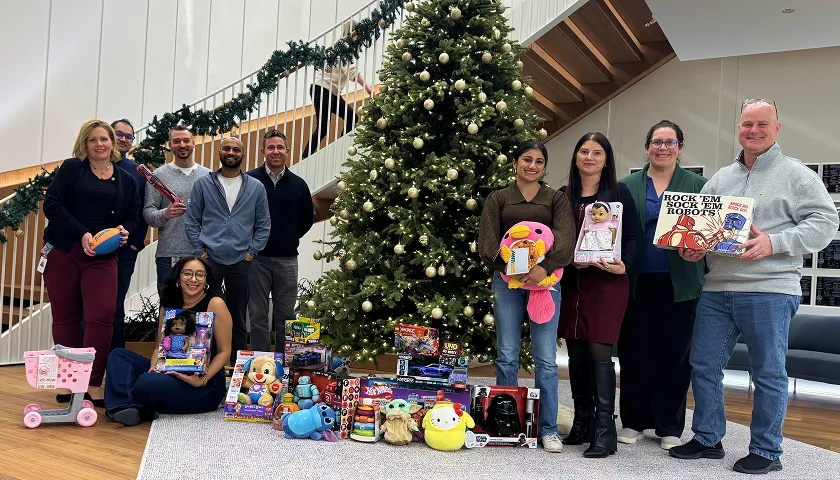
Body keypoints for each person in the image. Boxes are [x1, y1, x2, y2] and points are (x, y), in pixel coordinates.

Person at [670, 99, 839, 474]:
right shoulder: (721, 178)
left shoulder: (797, 174)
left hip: (770, 290)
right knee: (704, 365)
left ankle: (766, 450)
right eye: (747, 124)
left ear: (777, 128)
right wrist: (695, 249)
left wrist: (773, 242)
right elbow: (705, 229)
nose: (754, 130)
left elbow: (826, 223)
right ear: (739, 128)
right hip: (717, 288)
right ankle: (708, 437)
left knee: (767, 373)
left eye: (762, 123)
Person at [477, 139, 576, 453]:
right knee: (506, 354)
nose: (532, 166)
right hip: (508, 282)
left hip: (546, 284)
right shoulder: (500, 198)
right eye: (527, 160)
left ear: (544, 167)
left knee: (546, 359)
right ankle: (507, 422)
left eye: (538, 162)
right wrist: (515, 267)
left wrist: (541, 268)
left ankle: (547, 429)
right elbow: (487, 242)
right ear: (515, 162)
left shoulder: (555, 199)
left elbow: (565, 240)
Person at [616, 120, 707, 450]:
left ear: (680, 148)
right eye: (657, 142)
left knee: (675, 355)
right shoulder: (625, 186)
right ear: (647, 147)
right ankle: (633, 421)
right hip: (636, 285)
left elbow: (711, 234)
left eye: (670, 142)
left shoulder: (699, 186)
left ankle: (669, 424)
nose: (663, 148)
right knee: (635, 353)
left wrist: (702, 249)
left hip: (680, 285)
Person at [42, 119, 141, 406]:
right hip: (64, 251)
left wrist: (124, 231)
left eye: (105, 139)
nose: (100, 144)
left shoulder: (127, 180)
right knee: (66, 317)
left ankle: (94, 381)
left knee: (102, 316)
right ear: (85, 144)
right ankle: (69, 381)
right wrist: (82, 233)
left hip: (103, 257)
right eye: (93, 140)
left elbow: (133, 217)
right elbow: (53, 205)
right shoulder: (72, 168)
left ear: (113, 144)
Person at [558, 132, 639, 458]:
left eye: (597, 152)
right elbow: (555, 238)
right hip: (572, 285)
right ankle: (582, 422)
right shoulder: (564, 196)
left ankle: (605, 430)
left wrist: (625, 266)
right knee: (575, 355)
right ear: (576, 156)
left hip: (606, 284)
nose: (589, 157)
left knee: (598, 353)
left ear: (606, 159)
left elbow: (632, 237)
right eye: (584, 151)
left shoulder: (619, 194)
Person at [104, 256, 232, 426]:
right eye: (187, 273)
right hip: (169, 369)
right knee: (119, 356)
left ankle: (136, 400)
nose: (193, 279)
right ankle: (125, 407)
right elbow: (160, 345)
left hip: (202, 383)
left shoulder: (215, 304)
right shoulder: (168, 304)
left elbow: (225, 351)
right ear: (178, 276)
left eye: (200, 275)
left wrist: (202, 379)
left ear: (206, 279)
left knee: (145, 382)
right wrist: (154, 367)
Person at [185, 136, 271, 365]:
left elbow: (263, 224)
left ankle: (236, 367)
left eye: (236, 149)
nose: (231, 152)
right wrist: (200, 252)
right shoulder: (204, 184)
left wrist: (251, 253)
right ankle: (204, 363)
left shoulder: (256, 187)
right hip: (209, 260)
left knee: (238, 317)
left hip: (241, 261)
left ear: (243, 154)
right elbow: (192, 220)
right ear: (219, 152)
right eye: (226, 148)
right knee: (205, 315)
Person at [247, 130, 314, 353]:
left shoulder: (299, 185)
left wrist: (288, 237)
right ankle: (259, 362)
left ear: (287, 151)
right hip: (256, 259)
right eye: (271, 147)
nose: (275, 152)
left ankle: (285, 364)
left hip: (286, 259)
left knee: (286, 316)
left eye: (280, 147)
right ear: (263, 151)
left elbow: (306, 220)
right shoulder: (249, 180)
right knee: (257, 315)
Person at [143, 125, 210, 291]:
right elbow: (148, 214)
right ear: (170, 145)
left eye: (186, 140)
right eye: (177, 141)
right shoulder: (158, 176)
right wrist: (167, 213)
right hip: (169, 253)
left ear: (194, 143)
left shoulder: (208, 176)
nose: (182, 145)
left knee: (200, 308)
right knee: (170, 307)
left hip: (202, 253)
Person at [301, 20, 373, 159]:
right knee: (322, 127)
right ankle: (305, 157)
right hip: (322, 89)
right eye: (357, 35)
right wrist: (369, 89)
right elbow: (352, 72)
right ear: (351, 34)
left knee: (352, 117)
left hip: (331, 92)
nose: (359, 39)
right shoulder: (343, 49)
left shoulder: (340, 48)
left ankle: (339, 148)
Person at [110, 119, 148, 351]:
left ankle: (115, 363)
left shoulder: (138, 172)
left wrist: (135, 244)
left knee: (115, 307)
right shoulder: (85, 167)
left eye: (129, 136)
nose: (123, 139)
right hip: (90, 248)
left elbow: (144, 211)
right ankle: (84, 369)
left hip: (124, 251)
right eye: (119, 134)